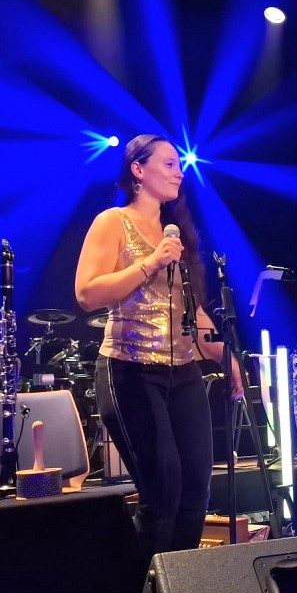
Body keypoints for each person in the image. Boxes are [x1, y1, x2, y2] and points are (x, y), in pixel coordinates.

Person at [75, 133, 244, 559]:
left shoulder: (176, 234)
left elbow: (192, 310)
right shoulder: (113, 221)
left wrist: (226, 357)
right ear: (138, 169)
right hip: (129, 370)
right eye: (168, 164)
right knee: (163, 491)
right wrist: (151, 262)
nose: (178, 172)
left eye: (179, 165)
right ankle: (144, 592)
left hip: (183, 372)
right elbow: (87, 293)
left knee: (196, 491)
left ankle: (180, 589)